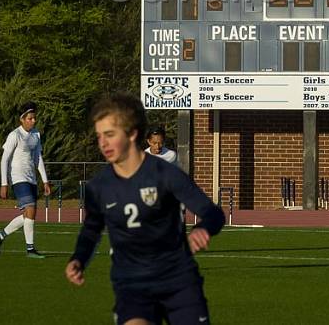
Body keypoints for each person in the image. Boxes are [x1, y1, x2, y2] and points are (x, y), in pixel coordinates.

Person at [65, 92, 224, 325]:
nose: (103, 143)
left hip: (178, 281)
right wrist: (78, 259)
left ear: (132, 134)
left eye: (109, 134)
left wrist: (203, 228)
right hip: (132, 285)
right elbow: (91, 230)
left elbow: (213, 213)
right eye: (99, 136)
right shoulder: (99, 187)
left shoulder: (165, 174)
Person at [0, 101, 51, 259]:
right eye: (30, 118)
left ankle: (0, 236)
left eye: (34, 118)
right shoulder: (14, 135)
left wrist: (45, 181)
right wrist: (4, 183)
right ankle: (30, 249)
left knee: (28, 215)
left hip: (31, 178)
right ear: (22, 119)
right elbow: (4, 160)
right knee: (30, 210)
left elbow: (38, 157)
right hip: (18, 178)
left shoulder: (36, 135)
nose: (33, 121)